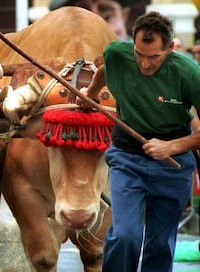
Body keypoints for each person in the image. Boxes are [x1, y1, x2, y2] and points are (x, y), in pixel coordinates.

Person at [78, 11, 200, 272]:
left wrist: (172, 147)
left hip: (173, 165)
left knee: (160, 244)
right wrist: (91, 92)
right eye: (139, 54)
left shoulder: (189, 73)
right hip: (127, 158)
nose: (144, 64)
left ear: (169, 49)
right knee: (125, 235)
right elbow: (105, 69)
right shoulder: (118, 54)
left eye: (154, 57)